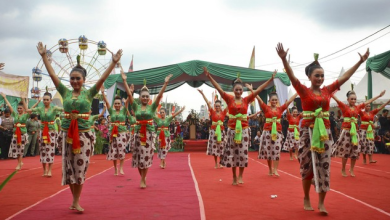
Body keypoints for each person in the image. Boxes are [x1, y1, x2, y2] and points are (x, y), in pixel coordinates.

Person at [276, 42, 369, 214]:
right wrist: (283, 60)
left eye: (322, 76)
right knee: (307, 167)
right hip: (307, 133)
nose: (320, 78)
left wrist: (360, 62)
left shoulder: (327, 91)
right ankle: (306, 196)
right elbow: (292, 77)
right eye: (317, 76)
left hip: (325, 134)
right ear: (310, 77)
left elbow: (345, 78)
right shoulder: (303, 91)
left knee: (324, 167)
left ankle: (321, 202)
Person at [37, 41, 122, 211]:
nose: (75, 81)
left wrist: (113, 62)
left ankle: (76, 200)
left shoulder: (90, 93)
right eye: (72, 78)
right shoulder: (64, 92)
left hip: (84, 136)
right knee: (69, 168)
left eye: (78, 78)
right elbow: (53, 75)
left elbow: (102, 78)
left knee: (80, 167)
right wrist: (44, 57)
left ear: (83, 80)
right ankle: (73, 199)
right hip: (66, 135)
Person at [205, 66, 273, 185]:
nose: (238, 91)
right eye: (236, 89)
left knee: (242, 154)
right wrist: (209, 76)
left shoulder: (246, 100)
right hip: (232, 130)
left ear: (242, 91)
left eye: (240, 90)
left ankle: (241, 176)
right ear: (233, 90)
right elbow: (218, 87)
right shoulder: (229, 99)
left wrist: (269, 80)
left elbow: (259, 90)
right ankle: (234, 176)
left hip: (244, 131)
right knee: (233, 154)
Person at [120, 68, 172, 189]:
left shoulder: (152, 107)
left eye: (146, 96)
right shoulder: (136, 106)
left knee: (147, 157)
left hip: (149, 135)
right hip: (138, 134)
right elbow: (129, 95)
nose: (144, 98)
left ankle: (143, 178)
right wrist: (124, 81)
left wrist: (165, 84)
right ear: (139, 97)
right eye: (142, 96)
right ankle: (142, 177)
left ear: (149, 98)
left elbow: (159, 97)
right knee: (138, 158)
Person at [332, 90, 383, 177]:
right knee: (345, 151)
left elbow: (368, 101)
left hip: (355, 131)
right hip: (346, 131)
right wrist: (330, 93)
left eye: (355, 99)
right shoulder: (344, 107)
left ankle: (351, 169)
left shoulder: (358, 107)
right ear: (348, 99)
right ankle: (343, 169)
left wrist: (378, 96)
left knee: (355, 151)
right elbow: (337, 100)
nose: (353, 101)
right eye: (352, 99)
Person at [248, 85, 297, 176]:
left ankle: (275, 169)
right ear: (270, 101)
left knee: (277, 151)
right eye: (272, 100)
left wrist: (297, 92)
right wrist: (251, 90)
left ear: (277, 101)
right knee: (269, 152)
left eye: (275, 100)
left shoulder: (280, 109)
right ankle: (270, 169)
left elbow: (290, 101)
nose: (274, 101)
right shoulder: (266, 108)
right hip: (267, 132)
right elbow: (259, 99)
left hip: (277, 132)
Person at [27, 91, 64, 176]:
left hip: (51, 132)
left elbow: (63, 109)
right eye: (44, 100)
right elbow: (29, 110)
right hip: (42, 132)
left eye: (47, 99)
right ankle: (44, 170)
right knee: (43, 151)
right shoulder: (40, 108)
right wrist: (37, 102)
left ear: (51, 100)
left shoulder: (54, 108)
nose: (45, 101)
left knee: (50, 151)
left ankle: (50, 170)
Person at [1, 93, 38, 170]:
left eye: (21, 108)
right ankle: (20, 162)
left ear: (23, 109)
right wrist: (5, 98)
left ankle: (19, 164)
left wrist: (23, 100)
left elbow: (30, 108)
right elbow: (10, 106)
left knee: (21, 149)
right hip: (15, 134)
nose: (19, 109)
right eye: (18, 108)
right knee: (15, 149)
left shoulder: (26, 115)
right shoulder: (15, 114)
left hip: (22, 135)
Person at [101, 91, 130, 176]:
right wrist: (103, 93)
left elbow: (127, 102)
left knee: (122, 151)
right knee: (114, 151)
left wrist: (130, 92)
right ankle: (115, 169)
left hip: (122, 133)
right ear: (114, 104)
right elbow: (106, 101)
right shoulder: (111, 111)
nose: (117, 105)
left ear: (121, 104)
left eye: (119, 103)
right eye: (116, 103)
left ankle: (121, 168)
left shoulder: (124, 111)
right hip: (113, 134)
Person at [198, 89, 228, 168]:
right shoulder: (212, 112)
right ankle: (215, 163)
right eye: (216, 106)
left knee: (221, 147)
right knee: (215, 148)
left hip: (221, 132)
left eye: (218, 106)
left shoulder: (224, 112)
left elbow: (230, 104)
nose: (217, 107)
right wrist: (202, 94)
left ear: (221, 106)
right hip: (214, 132)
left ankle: (221, 162)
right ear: (214, 106)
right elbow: (207, 102)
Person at [359, 96, 390, 164]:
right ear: (364, 107)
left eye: (369, 106)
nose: (368, 107)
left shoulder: (372, 113)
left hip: (370, 131)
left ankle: (370, 159)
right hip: (363, 131)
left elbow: (380, 107)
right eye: (367, 106)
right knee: (364, 144)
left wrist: (387, 102)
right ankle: (364, 159)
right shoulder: (362, 113)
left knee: (370, 144)